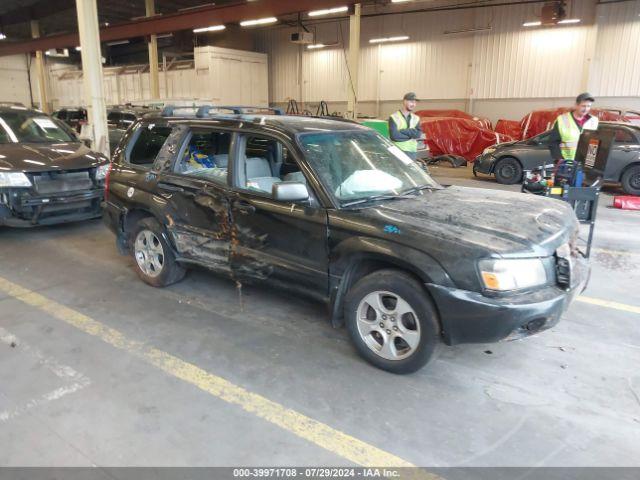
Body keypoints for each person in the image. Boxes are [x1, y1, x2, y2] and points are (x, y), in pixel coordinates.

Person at [549, 92, 599, 167]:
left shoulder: (594, 121)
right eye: (583, 106)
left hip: (585, 165)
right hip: (566, 163)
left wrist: (591, 163)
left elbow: (595, 143)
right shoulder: (562, 119)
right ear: (576, 105)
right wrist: (559, 160)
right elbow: (553, 142)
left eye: (588, 106)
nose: (586, 109)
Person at [388, 92, 423, 160]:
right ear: (404, 101)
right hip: (398, 151)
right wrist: (411, 135)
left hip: (412, 152)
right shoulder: (394, 117)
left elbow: (418, 134)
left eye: (415, 102)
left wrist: (404, 131)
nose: (413, 104)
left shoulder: (416, 118)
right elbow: (395, 136)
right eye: (411, 102)